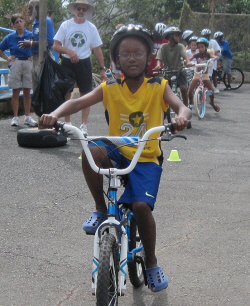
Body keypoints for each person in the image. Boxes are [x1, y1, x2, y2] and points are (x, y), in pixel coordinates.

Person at [39, 24, 192, 292]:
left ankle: (152, 262)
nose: (132, 58)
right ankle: (100, 208)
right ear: (117, 59)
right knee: (91, 148)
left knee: (142, 208)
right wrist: (54, 114)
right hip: (117, 151)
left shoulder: (159, 86)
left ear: (148, 58)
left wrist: (181, 118)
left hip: (145, 158)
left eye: (138, 53)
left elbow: (182, 106)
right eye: (125, 54)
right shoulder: (110, 88)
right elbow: (77, 103)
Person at [53, 0, 107, 135]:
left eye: (84, 9)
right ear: (74, 10)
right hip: (67, 62)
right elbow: (56, 45)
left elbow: (97, 49)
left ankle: (84, 125)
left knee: (86, 94)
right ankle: (67, 123)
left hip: (84, 62)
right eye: (79, 9)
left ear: (87, 11)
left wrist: (102, 69)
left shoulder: (91, 27)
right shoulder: (66, 25)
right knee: (67, 93)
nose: (81, 12)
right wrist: (69, 51)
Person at [0, 14, 37, 127]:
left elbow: (39, 46)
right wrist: (7, 58)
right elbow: (1, 48)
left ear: (24, 22)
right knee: (15, 90)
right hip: (16, 62)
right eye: (17, 22)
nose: (19, 23)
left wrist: (33, 57)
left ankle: (27, 116)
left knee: (27, 91)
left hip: (28, 62)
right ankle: (15, 117)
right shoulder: (10, 37)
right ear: (14, 25)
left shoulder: (30, 35)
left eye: (21, 21)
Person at [19, 0, 55, 92]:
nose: (28, 11)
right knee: (36, 88)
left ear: (37, 8)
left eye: (30, 8)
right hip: (35, 58)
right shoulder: (35, 22)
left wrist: (31, 43)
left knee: (45, 88)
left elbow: (50, 41)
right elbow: (38, 39)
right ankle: (38, 106)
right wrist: (31, 41)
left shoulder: (46, 21)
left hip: (44, 58)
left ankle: (48, 106)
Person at [155, 26, 191, 107]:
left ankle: (186, 107)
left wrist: (188, 62)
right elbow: (159, 58)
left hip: (179, 71)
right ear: (170, 37)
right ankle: (165, 110)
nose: (178, 37)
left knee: (183, 89)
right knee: (164, 91)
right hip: (168, 73)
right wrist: (158, 65)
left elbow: (185, 56)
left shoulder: (180, 46)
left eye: (178, 35)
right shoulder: (164, 47)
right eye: (176, 36)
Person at [188, 37, 220, 112]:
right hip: (197, 74)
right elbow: (190, 59)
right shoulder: (196, 55)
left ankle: (212, 102)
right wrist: (187, 62)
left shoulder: (208, 54)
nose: (200, 49)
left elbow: (212, 56)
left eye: (202, 47)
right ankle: (191, 103)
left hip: (205, 75)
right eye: (198, 47)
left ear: (206, 47)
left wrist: (215, 57)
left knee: (211, 90)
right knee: (190, 90)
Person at [200, 28, 221, 93]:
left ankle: (215, 87)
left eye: (207, 36)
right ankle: (204, 88)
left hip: (212, 61)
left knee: (213, 75)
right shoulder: (201, 42)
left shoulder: (213, 42)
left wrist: (214, 52)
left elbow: (218, 50)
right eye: (204, 36)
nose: (206, 37)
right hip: (203, 61)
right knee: (203, 75)